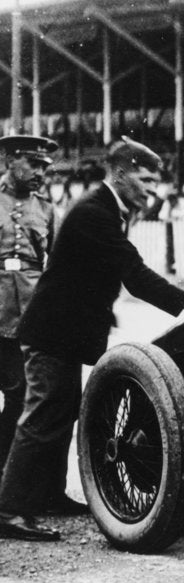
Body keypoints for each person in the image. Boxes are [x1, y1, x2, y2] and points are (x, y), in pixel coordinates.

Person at [0, 137, 184, 541]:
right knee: (42, 417)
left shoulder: (108, 208)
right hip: (50, 333)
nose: (152, 187)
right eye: (145, 177)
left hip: (61, 332)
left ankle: (48, 494)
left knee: (60, 415)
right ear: (120, 173)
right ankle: (10, 508)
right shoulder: (95, 213)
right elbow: (131, 271)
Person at [0, 135, 57, 497]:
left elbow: (58, 262)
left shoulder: (47, 209)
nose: (40, 174)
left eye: (44, 168)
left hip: (31, 316)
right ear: (9, 160)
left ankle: (11, 480)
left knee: (23, 397)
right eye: (33, 165)